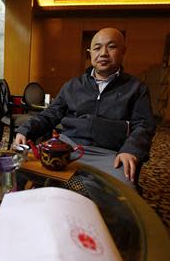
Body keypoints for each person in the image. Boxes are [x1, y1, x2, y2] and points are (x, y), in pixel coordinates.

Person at [14, 28, 156, 189]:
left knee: (122, 192)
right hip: (67, 148)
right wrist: (24, 130)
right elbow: (50, 114)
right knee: (18, 168)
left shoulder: (136, 88)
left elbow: (144, 125)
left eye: (111, 47)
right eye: (97, 48)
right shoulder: (73, 85)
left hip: (109, 153)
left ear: (123, 51)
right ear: (90, 53)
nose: (103, 53)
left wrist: (131, 150)